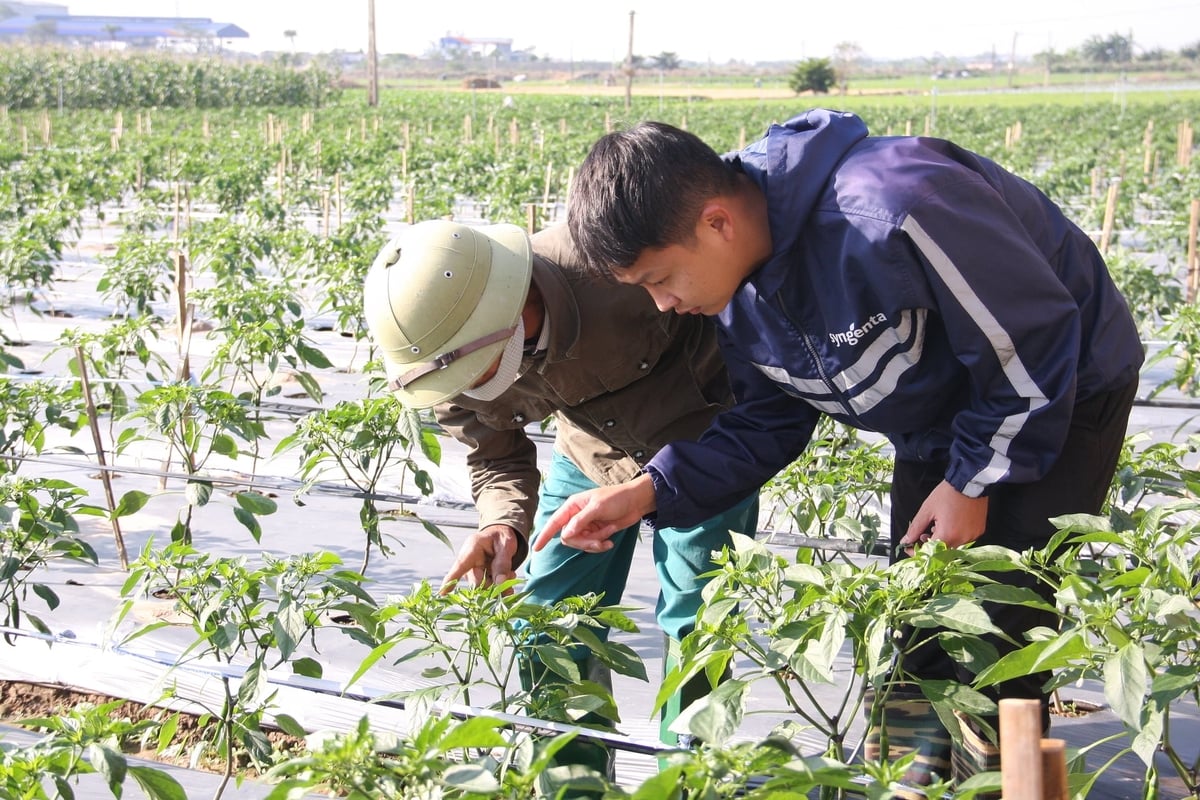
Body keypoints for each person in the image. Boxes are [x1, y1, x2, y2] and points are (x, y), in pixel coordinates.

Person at [534, 109, 1144, 790]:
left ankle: (1007, 784)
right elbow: (764, 425)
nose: (663, 305)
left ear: (715, 222)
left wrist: (972, 483)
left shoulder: (894, 206)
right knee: (915, 622)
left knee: (999, 634)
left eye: (659, 278)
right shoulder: (740, 293)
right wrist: (647, 490)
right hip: (944, 415)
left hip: (1063, 390)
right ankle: (907, 784)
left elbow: (1032, 342)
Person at [361, 219, 759, 784]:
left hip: (701, 440)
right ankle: (575, 782)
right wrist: (503, 525)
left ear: (514, 302)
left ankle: (692, 780)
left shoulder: (618, 257)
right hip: (593, 451)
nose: (474, 386)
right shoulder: (445, 365)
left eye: (480, 366)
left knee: (700, 619)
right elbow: (495, 457)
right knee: (549, 621)